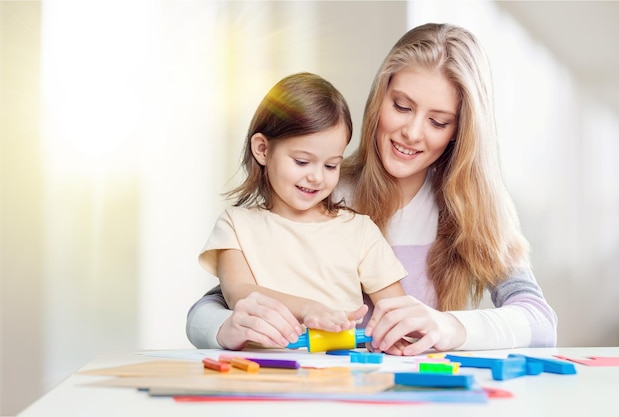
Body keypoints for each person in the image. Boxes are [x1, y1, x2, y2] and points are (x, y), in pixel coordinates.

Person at [187, 23, 558, 355]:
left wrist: (452, 327)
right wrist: (224, 328)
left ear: (460, 132)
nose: (412, 132)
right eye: (401, 106)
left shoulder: (479, 208)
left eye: (438, 121)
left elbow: (540, 320)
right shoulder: (322, 191)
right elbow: (218, 302)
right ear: (379, 98)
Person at [198, 72, 407, 350]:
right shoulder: (235, 225)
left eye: (331, 165)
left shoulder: (360, 231)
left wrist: (394, 337)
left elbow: (397, 312)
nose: (317, 177)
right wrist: (308, 309)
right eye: (302, 161)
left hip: (339, 378)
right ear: (262, 149)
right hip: (261, 377)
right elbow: (241, 295)